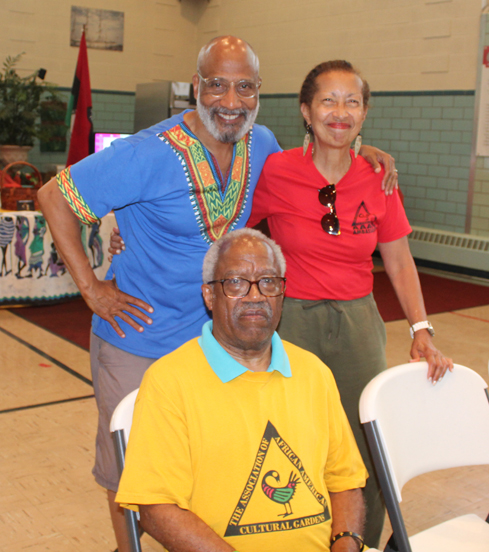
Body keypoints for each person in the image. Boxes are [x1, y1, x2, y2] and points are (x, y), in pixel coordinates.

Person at [38, 36, 396, 550]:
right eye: (218, 86)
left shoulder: (262, 143)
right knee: (132, 468)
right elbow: (54, 197)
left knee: (215, 466)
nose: (231, 101)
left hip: (217, 346)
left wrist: (364, 151)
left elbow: (316, 157)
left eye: (245, 87)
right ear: (196, 86)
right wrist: (92, 290)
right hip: (140, 336)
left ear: (259, 93)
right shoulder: (145, 151)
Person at [246, 60, 454, 547]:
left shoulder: (379, 178)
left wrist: (420, 329)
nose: (339, 112)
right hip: (290, 323)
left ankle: (357, 539)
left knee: (362, 442)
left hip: (358, 323)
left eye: (352, 102)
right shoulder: (277, 171)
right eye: (327, 100)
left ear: (363, 114)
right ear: (305, 110)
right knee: (289, 440)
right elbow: (231, 230)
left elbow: (399, 261)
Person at [116, 228, 368, 552]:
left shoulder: (314, 373)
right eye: (235, 282)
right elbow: (154, 509)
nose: (255, 295)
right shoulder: (168, 382)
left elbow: (345, 482)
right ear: (209, 295)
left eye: (268, 282)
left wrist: (345, 545)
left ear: (281, 293)